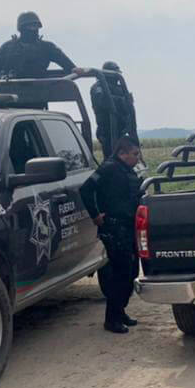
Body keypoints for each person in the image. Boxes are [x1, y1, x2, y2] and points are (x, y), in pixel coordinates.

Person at [80, 135, 142, 334]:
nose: (137, 158)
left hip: (128, 226)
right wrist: (95, 215)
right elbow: (86, 190)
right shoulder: (108, 168)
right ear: (122, 153)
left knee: (131, 272)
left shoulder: (128, 170)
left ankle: (120, 312)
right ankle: (111, 319)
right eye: (134, 154)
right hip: (114, 228)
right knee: (120, 274)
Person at [0, 12, 81, 80]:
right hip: (8, 98)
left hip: (36, 97)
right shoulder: (8, 47)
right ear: (21, 29)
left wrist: (77, 70)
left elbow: (69, 66)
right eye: (29, 26)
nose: (33, 29)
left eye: (35, 26)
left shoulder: (47, 47)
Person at [90, 61, 139, 158]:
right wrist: (122, 101)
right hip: (108, 130)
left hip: (123, 129)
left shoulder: (120, 88)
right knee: (112, 158)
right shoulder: (98, 87)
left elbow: (129, 106)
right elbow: (102, 101)